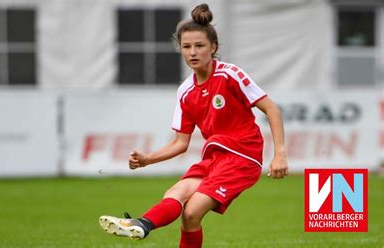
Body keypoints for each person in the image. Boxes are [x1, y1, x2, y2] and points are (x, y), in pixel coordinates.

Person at [99, 3, 288, 247]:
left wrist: (280, 154)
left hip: (242, 156)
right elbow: (180, 143)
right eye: (186, 47)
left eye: (199, 46)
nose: (193, 52)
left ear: (214, 47)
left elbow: (272, 109)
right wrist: (148, 159)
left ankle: (143, 224)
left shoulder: (230, 75)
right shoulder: (185, 91)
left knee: (192, 211)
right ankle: (142, 223)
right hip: (214, 158)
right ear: (180, 50)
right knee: (176, 196)